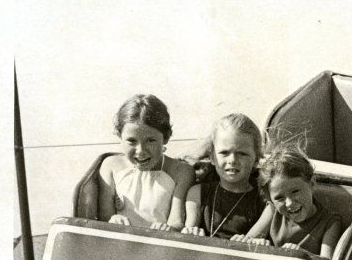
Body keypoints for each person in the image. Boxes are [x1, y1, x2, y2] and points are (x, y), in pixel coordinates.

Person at [234, 142, 343, 260]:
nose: (289, 203)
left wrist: (302, 255)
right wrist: (254, 244)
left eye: (295, 191)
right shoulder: (272, 210)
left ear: (312, 184)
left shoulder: (330, 222)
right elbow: (248, 242)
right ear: (270, 200)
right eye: (279, 198)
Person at [98, 94, 194, 230]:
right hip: (119, 240)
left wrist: (169, 229)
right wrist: (113, 219)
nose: (141, 151)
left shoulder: (181, 172)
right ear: (119, 136)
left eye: (150, 140)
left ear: (166, 138)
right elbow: (104, 217)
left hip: (160, 241)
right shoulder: (111, 166)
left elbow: (177, 221)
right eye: (132, 141)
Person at [182, 114, 267, 239]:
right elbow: (189, 231)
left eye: (242, 154)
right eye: (224, 153)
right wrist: (190, 232)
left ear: (256, 159)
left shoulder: (265, 199)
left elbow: (252, 242)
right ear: (212, 157)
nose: (232, 160)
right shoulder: (198, 193)